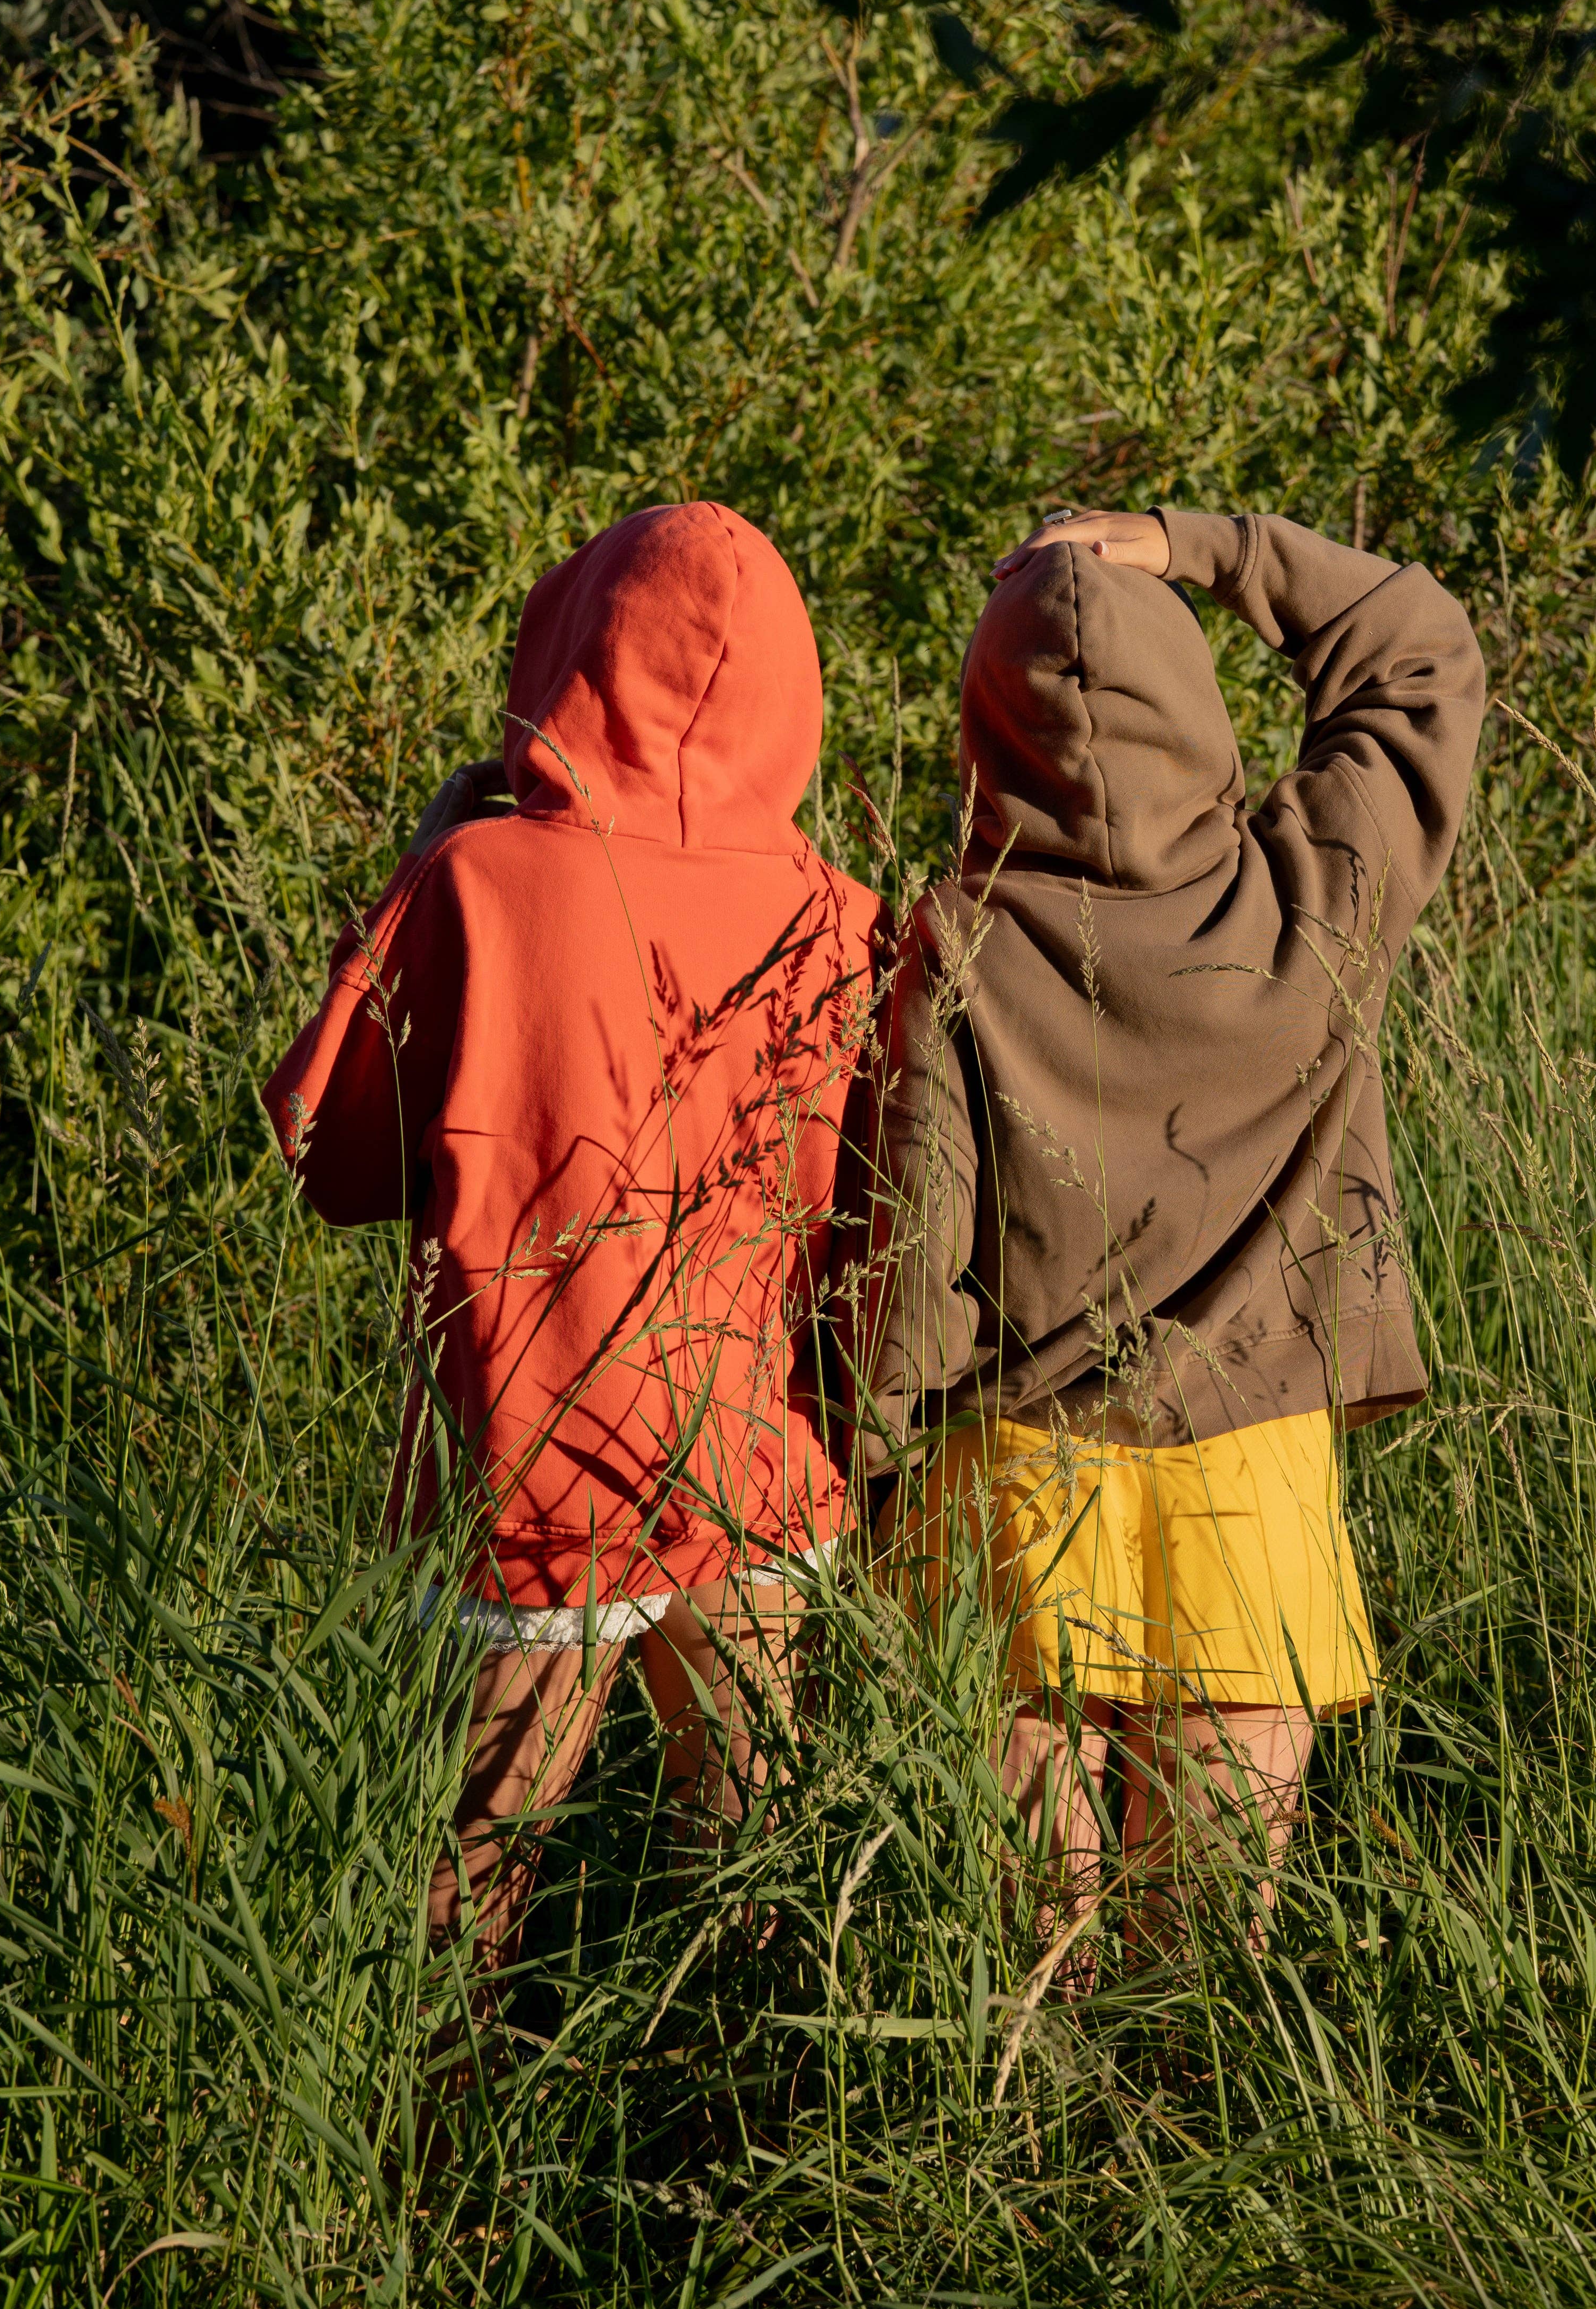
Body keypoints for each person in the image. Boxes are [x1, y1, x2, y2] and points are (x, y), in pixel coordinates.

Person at [842, 501, 1484, 1945]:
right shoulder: (1316, 890)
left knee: (1028, 1954)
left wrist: (865, 1467)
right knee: (1204, 1957)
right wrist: (1206, 548)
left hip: (1014, 1484)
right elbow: (1421, 650)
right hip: (1253, 1477)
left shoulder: (955, 942)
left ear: (983, 732)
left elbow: (915, 1256)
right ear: (1194, 709)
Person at [264, 500, 883, 1981]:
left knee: (467, 1872)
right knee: (750, 1863)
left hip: (533, 1462)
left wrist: (421, 865)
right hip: (756, 1455)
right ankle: (728, 2108)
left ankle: (441, 2120)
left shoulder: (479, 883)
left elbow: (334, 1164)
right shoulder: (840, 917)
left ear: (576, 650)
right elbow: (865, 1209)